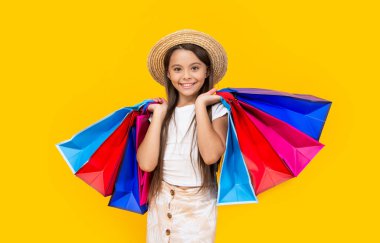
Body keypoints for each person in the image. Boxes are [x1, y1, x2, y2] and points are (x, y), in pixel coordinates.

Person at [137, 29, 229, 243]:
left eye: (194, 68)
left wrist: (200, 106)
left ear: (207, 71)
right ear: (168, 74)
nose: (186, 76)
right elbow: (147, 164)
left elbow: (210, 156)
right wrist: (159, 116)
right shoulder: (160, 112)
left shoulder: (216, 111)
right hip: (161, 200)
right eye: (177, 69)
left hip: (198, 204)